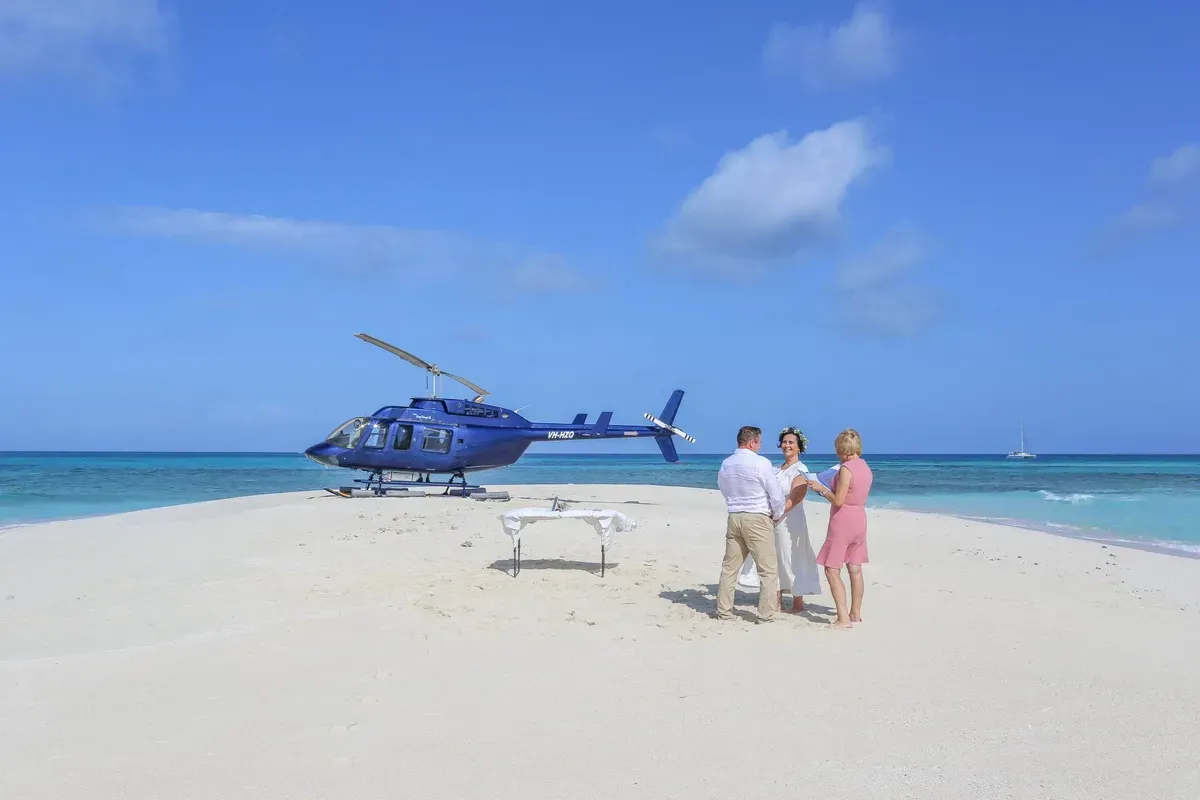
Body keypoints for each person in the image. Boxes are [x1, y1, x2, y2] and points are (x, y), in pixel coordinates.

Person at [736, 426, 822, 612]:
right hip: (772, 518)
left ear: (799, 447)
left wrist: (776, 515)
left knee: (791, 557)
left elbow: (795, 498)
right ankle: (776, 599)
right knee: (772, 558)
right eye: (784, 442)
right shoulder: (776, 469)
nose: (786, 445)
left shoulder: (800, 469)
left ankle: (798, 602)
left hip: (790, 521)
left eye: (791, 442)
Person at [715, 425, 787, 622]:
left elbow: (723, 487)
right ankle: (766, 614)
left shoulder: (726, 463)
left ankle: (724, 611)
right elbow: (776, 495)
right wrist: (776, 514)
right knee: (767, 569)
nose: (760, 446)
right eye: (759, 442)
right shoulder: (760, 463)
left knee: (730, 567)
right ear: (752, 442)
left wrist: (734, 503)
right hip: (757, 517)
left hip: (735, 515)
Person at [807, 428, 873, 629]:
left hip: (843, 520)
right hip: (860, 518)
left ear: (842, 449)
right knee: (855, 568)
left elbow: (838, 500)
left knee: (831, 569)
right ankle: (855, 613)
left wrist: (821, 489)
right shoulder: (865, 467)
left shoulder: (846, 469)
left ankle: (843, 618)